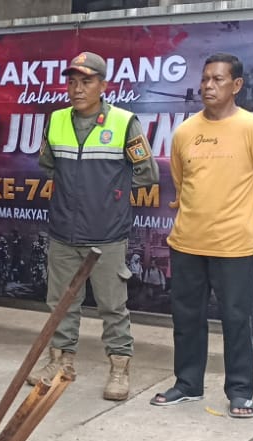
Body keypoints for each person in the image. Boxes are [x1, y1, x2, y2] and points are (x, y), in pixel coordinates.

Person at [152, 53, 253, 418]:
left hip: (233, 244)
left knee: (236, 318)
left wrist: (244, 215)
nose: (209, 86)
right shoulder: (186, 131)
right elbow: (181, 179)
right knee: (186, 317)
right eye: (205, 79)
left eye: (218, 80)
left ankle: (241, 390)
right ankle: (188, 383)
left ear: (236, 85)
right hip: (187, 240)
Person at [30, 51, 159, 402]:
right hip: (63, 232)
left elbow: (147, 173)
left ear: (103, 85)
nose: (77, 88)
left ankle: (119, 367)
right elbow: (49, 164)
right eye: (72, 81)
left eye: (86, 81)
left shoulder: (123, 122)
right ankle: (60, 362)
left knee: (112, 306)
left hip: (107, 234)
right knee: (60, 304)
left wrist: (107, 195)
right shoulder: (56, 120)